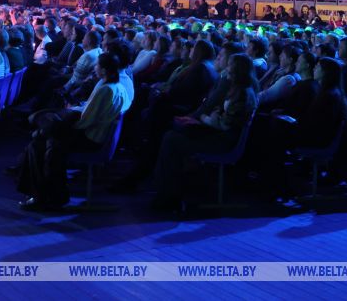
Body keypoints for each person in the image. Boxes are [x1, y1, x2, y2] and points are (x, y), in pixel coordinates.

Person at [16, 52, 129, 210]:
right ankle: (49, 195)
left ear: (103, 70)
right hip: (94, 134)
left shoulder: (105, 89)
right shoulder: (117, 87)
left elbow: (85, 121)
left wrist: (64, 124)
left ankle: (44, 196)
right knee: (43, 140)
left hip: (91, 138)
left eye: (97, 65)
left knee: (42, 142)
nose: (94, 68)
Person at [153, 53, 258, 210]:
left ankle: (169, 195)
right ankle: (168, 191)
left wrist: (204, 118)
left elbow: (225, 124)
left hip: (224, 141)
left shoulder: (243, 93)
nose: (227, 68)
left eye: (230, 65)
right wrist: (208, 119)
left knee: (171, 140)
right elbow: (220, 115)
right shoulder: (238, 89)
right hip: (219, 134)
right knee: (174, 135)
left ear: (237, 69)